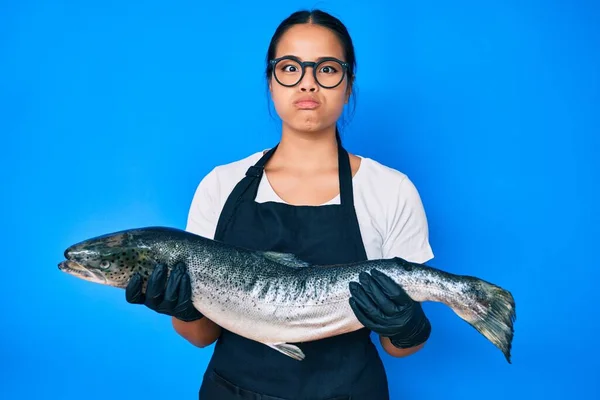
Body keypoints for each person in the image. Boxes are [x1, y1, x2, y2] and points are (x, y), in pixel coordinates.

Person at [125, 9, 434, 400]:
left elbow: (400, 349)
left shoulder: (391, 190)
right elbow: (201, 337)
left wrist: (408, 326)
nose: (308, 84)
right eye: (290, 68)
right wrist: (182, 309)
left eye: (326, 69)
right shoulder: (221, 185)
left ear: (348, 84)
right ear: (271, 82)